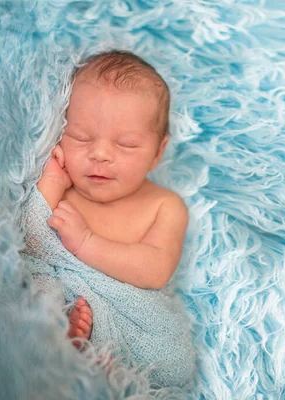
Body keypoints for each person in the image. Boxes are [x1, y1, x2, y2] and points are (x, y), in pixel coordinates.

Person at [36, 50, 188, 346]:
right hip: (58, 297)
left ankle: (89, 342)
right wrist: (52, 181)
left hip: (128, 318)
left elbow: (156, 270)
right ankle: (59, 334)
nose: (100, 154)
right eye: (81, 137)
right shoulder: (61, 185)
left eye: (126, 145)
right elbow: (31, 240)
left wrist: (86, 242)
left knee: (170, 352)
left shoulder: (164, 205)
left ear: (158, 152)